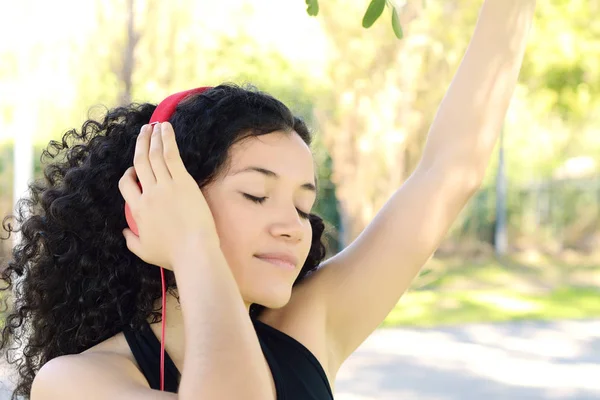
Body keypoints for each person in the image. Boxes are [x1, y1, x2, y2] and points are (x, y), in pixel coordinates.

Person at [0, 1, 536, 399]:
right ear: (164, 201)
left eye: (304, 206)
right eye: (257, 195)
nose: (293, 227)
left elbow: (450, 173)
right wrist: (193, 247)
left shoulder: (311, 321)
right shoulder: (79, 380)